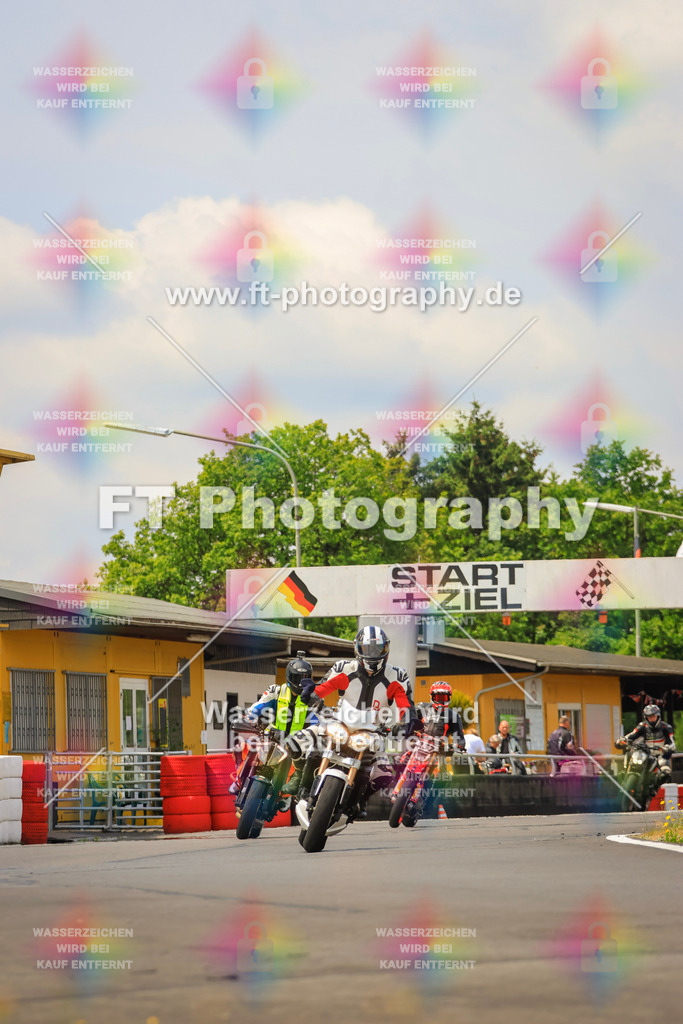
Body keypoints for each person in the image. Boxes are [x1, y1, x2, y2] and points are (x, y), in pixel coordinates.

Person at [294, 625, 412, 814]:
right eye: (367, 648)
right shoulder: (344, 668)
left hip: (374, 731)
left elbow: (405, 704)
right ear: (358, 649)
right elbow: (322, 687)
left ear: (386, 649)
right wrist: (311, 693)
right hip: (340, 723)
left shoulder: (397, 676)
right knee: (300, 743)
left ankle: (361, 800)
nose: (372, 654)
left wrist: (405, 723)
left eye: (377, 649)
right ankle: (302, 786)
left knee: (384, 773)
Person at [229, 652, 319, 797]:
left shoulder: (313, 699)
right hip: (272, 737)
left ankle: (293, 796)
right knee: (246, 745)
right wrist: (248, 717)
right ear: (289, 677)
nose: (300, 682)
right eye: (297, 678)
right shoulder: (276, 691)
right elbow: (258, 707)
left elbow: (317, 724)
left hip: (296, 744)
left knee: (310, 761)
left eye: (304, 678)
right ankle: (240, 779)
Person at [619, 703, 676, 780]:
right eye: (649, 717)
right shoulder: (642, 726)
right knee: (630, 755)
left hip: (660, 754)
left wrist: (668, 747)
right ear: (646, 717)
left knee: (665, 771)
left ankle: (660, 783)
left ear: (658, 716)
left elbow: (672, 743)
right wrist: (623, 739)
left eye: (653, 716)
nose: (652, 719)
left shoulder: (666, 727)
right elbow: (632, 735)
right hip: (645, 754)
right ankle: (625, 771)